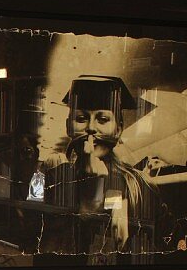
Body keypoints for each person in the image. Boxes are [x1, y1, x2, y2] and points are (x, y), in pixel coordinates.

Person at [44, 75, 158, 257]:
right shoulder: (53, 179)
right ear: (68, 127)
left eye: (103, 119)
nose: (91, 128)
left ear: (119, 129)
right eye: (81, 118)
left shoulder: (139, 185)